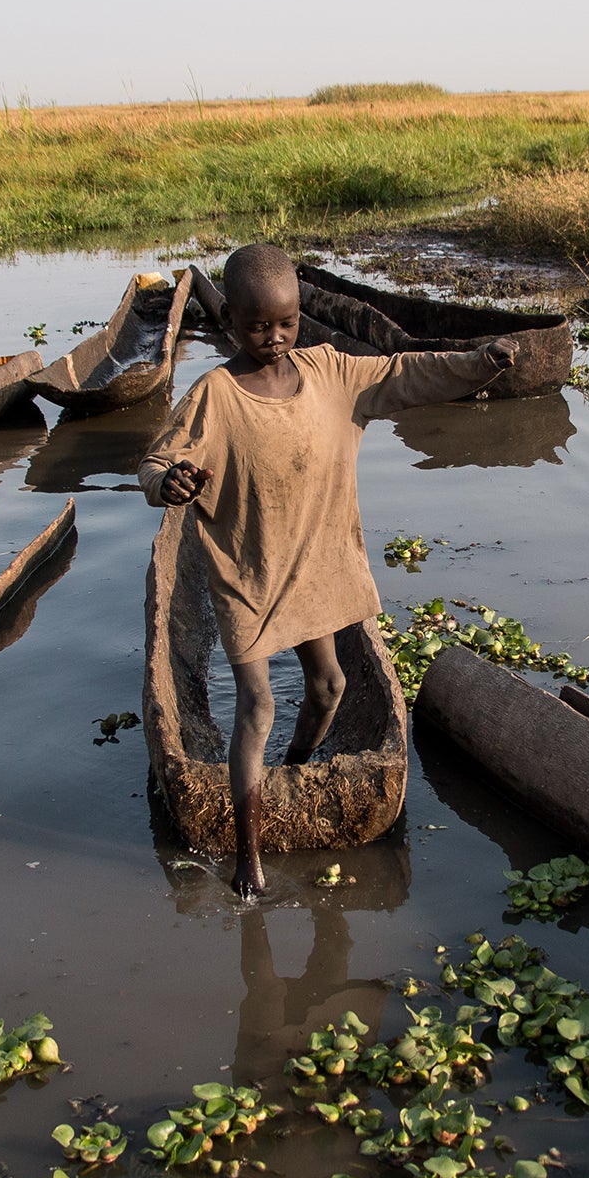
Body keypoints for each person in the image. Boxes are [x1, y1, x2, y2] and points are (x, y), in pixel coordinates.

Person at [140, 243, 515, 898]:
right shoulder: (215, 395)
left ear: (299, 317)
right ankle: (249, 858)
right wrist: (168, 481)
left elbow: (405, 374)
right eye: (258, 326)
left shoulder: (332, 374)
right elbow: (157, 460)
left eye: (286, 323)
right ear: (228, 320)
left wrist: (476, 366)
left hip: (314, 564)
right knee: (256, 705)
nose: (274, 338)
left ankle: (295, 768)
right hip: (248, 576)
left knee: (331, 688)